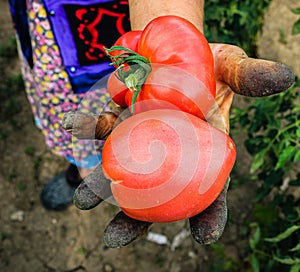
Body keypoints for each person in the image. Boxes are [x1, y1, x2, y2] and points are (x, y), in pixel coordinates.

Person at [9, 0, 295, 248]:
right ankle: (78, 168)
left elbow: (159, 47)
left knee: (98, 128)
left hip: (121, 21)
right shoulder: (130, 87)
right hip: (48, 36)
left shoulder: (136, 85)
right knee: (82, 123)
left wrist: (168, 21)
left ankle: (80, 170)